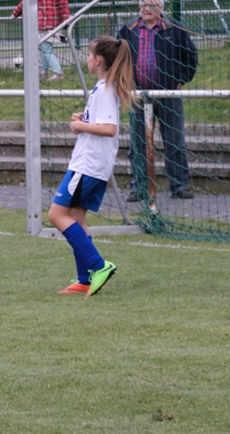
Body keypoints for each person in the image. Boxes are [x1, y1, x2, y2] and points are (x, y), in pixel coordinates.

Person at [48, 36, 137, 297]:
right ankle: (85, 280)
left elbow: (109, 129)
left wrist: (79, 125)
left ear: (98, 60)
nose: (87, 58)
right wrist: (84, 120)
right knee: (76, 218)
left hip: (87, 165)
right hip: (93, 165)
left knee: (56, 215)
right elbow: (100, 123)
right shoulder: (103, 88)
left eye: (89, 54)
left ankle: (99, 266)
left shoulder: (106, 89)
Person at [119, 0, 198, 201]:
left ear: (161, 8)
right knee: (138, 143)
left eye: (152, 5)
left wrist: (180, 79)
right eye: (144, 5)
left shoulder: (175, 28)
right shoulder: (129, 29)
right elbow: (117, 58)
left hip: (168, 95)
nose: (147, 9)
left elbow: (190, 56)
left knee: (174, 141)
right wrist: (125, 81)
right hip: (138, 95)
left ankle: (179, 186)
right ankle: (140, 187)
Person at [11, 0, 70, 81]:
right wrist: (66, 21)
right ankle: (43, 71)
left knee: (46, 48)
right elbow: (63, 5)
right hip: (55, 24)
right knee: (45, 46)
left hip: (41, 23)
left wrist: (15, 14)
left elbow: (25, 1)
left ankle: (58, 72)